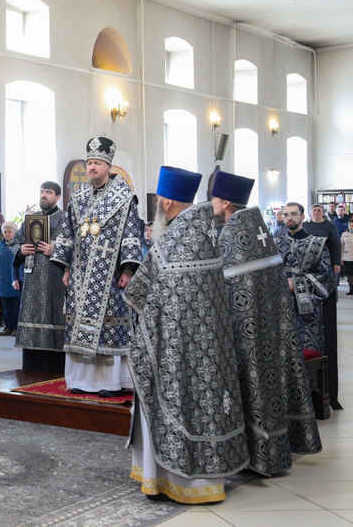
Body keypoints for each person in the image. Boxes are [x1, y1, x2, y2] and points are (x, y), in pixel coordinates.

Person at [124, 166, 248, 504]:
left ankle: (169, 480)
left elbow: (138, 295)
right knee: (205, 405)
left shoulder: (169, 243)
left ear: (166, 203)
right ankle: (209, 480)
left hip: (174, 349)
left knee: (176, 400)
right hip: (211, 347)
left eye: (158, 203)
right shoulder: (207, 235)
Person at [213, 170, 321, 476]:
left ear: (226, 202)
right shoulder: (261, 233)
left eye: (215, 199)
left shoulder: (231, 236)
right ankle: (277, 452)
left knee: (253, 390)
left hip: (245, 337)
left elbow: (221, 288)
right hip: (273, 331)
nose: (212, 205)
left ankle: (257, 457)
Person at [51, 137, 143, 396]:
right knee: (79, 323)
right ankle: (81, 380)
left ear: (108, 167)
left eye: (97, 163)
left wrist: (128, 270)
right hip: (81, 274)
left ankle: (112, 382)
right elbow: (67, 232)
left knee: (109, 327)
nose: (92, 167)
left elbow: (132, 234)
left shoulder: (124, 198)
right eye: (89, 163)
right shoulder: (78, 197)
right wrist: (66, 268)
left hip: (111, 275)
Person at [14, 182, 67, 373]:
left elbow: (76, 247)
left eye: (49, 192)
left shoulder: (65, 219)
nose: (44, 195)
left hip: (55, 282)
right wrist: (20, 250)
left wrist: (55, 250)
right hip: (31, 282)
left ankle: (55, 375)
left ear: (58, 197)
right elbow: (15, 244)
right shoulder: (31, 219)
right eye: (42, 191)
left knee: (54, 322)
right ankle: (30, 375)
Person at [276, 203, 334, 355]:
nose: (289, 218)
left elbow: (326, 276)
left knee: (307, 351)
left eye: (293, 214)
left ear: (302, 217)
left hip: (307, 307)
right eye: (286, 215)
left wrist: (296, 283)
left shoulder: (318, 244)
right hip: (281, 305)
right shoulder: (276, 244)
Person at [304, 202, 343, 410]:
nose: (316, 212)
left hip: (323, 270)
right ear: (310, 213)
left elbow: (335, 245)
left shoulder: (329, 226)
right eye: (314, 210)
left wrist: (336, 262)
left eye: (319, 210)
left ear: (323, 212)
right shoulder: (306, 226)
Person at [0, 221, 21, 336]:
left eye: (9, 232)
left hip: (15, 281)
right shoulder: (0, 245)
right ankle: (8, 327)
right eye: (5, 232)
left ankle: (16, 328)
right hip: (2, 282)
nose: (7, 234)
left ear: (15, 232)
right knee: (5, 306)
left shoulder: (18, 245)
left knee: (16, 306)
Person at [342, 220, 353, 295]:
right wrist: (340, 258)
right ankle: (351, 289)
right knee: (350, 274)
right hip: (347, 257)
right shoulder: (344, 234)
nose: (351, 227)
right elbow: (341, 246)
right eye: (350, 225)